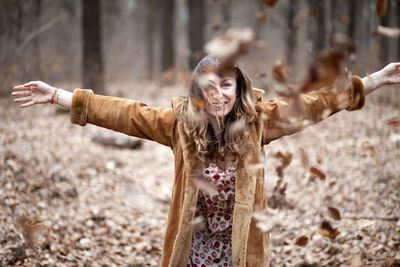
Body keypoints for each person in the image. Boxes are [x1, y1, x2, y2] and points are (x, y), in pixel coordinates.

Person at [12, 57, 400, 267]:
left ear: (239, 88)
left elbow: (313, 105)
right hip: (192, 252)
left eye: (227, 85)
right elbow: (124, 113)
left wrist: (372, 81)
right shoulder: (178, 127)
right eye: (209, 87)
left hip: (241, 252)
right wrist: (60, 96)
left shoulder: (258, 123)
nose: (218, 95)